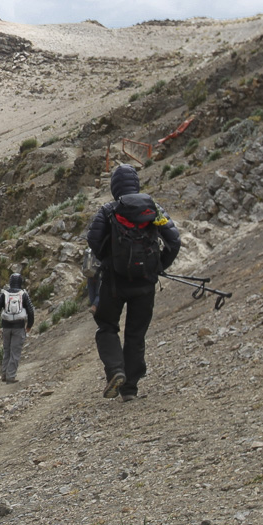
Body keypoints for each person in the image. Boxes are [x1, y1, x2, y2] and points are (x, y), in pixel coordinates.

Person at [87, 164, 182, 400]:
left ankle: (115, 370)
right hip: (146, 283)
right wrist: (158, 266)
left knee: (107, 327)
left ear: (114, 187)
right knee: (136, 335)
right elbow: (174, 240)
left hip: (114, 284)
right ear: (136, 184)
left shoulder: (108, 210)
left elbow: (94, 242)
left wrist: (109, 261)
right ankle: (130, 388)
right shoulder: (153, 209)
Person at [0, 273, 35, 383]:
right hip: (19, 327)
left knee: (6, 350)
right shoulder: (23, 294)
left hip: (6, 326)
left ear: (10, 282)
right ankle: (11, 376)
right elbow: (30, 311)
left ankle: (4, 374)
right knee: (15, 351)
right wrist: (29, 325)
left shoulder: (4, 294)